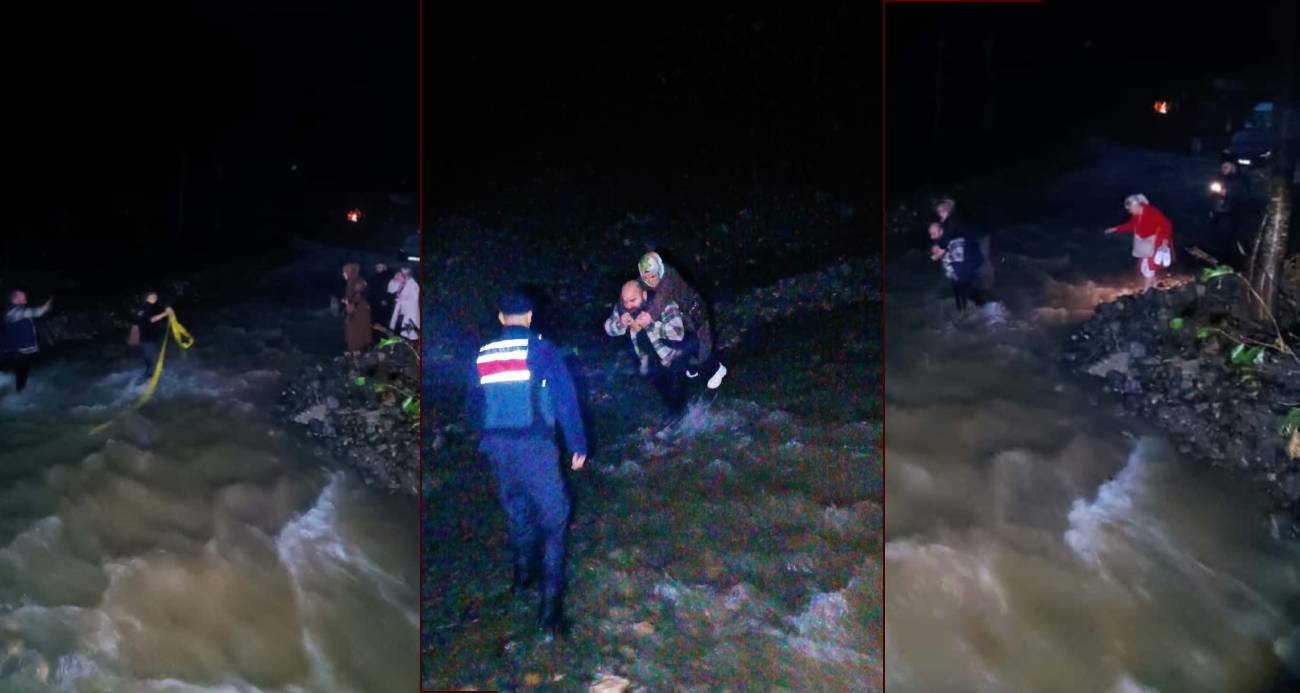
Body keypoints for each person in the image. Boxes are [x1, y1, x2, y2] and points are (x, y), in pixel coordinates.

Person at [466, 292, 588, 635]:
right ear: (530, 317)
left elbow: (473, 405)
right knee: (554, 519)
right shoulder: (543, 350)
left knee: (517, 510)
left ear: (502, 318)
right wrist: (577, 444)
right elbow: (565, 401)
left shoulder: (483, 353)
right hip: (535, 447)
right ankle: (550, 612)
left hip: (498, 448)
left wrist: (482, 441)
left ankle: (522, 578)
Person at [636, 252, 726, 389]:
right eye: (646, 278)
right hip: (679, 316)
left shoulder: (669, 276)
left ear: (659, 270)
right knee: (682, 344)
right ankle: (692, 366)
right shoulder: (645, 279)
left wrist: (648, 316)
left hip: (695, 311)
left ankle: (716, 368)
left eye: (653, 276)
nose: (651, 281)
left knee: (703, 346)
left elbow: (661, 298)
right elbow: (634, 289)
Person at [605, 279, 692, 414]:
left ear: (644, 295)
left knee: (677, 385)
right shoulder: (623, 308)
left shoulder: (663, 304)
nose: (628, 306)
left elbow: (678, 333)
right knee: (662, 387)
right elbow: (609, 329)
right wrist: (620, 323)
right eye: (625, 301)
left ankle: (687, 414)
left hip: (675, 352)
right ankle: (676, 415)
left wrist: (651, 324)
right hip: (650, 357)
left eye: (633, 300)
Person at [1105, 194, 1174, 292]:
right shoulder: (1137, 215)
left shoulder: (1151, 212)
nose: (1129, 211)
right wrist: (1115, 229)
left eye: (1130, 209)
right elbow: (1131, 225)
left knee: (1149, 268)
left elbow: (1166, 224)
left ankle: (1146, 291)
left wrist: (1165, 240)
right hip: (1146, 244)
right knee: (1144, 268)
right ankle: (1154, 287)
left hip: (1156, 242)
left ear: (1136, 206)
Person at [936, 197, 994, 292]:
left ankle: (988, 286)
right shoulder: (949, 220)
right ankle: (976, 285)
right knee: (973, 261)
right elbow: (947, 236)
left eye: (942, 210)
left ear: (948, 210)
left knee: (984, 260)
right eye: (939, 211)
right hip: (972, 239)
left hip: (980, 235)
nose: (940, 213)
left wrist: (940, 249)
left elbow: (948, 235)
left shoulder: (954, 218)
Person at [3, 290, 54, 393]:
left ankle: (20, 396)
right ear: (15, 299)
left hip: (24, 351)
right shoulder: (12, 312)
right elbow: (34, 312)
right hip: (18, 351)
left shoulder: (19, 310)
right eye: (23, 298)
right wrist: (44, 307)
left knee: (23, 374)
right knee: (21, 376)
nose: (26, 300)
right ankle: (17, 399)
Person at [928, 221, 985, 313]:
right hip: (960, 265)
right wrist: (938, 253)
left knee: (965, 287)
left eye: (934, 234)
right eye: (930, 234)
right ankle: (962, 310)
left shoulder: (951, 239)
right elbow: (941, 250)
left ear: (941, 231)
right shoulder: (940, 239)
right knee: (957, 288)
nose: (931, 237)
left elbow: (959, 257)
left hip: (967, 264)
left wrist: (941, 253)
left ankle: (979, 308)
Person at [1208, 161, 1253, 267]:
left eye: (1226, 167)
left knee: (1231, 239)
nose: (1223, 169)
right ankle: (1220, 259)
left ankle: (1233, 262)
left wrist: (1227, 193)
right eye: (1222, 166)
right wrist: (1211, 210)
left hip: (1232, 213)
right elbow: (1212, 196)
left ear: (1233, 167)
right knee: (1219, 238)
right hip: (1219, 212)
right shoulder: (1219, 178)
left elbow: (1244, 196)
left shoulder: (1241, 180)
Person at [133, 291, 174, 378]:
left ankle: (148, 379)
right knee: (152, 364)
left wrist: (166, 308)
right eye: (152, 297)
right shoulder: (145, 307)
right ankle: (144, 382)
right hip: (147, 340)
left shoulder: (149, 307)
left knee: (151, 362)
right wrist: (165, 314)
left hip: (148, 339)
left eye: (155, 297)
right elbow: (151, 319)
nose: (155, 299)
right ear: (147, 298)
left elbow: (160, 308)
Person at [341, 263, 372, 356]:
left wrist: (350, 302)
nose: (343, 274)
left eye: (345, 272)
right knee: (352, 330)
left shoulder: (357, 281)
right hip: (355, 309)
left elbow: (358, 294)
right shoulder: (351, 281)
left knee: (357, 330)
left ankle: (357, 350)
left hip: (359, 311)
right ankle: (353, 349)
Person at [386, 266, 420, 341]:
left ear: (407, 274)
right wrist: (395, 281)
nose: (400, 274)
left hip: (408, 313)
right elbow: (391, 290)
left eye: (402, 273)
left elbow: (414, 299)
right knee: (396, 330)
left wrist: (402, 299)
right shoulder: (402, 282)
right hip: (400, 312)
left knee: (407, 334)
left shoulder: (413, 284)